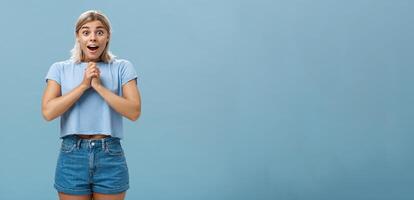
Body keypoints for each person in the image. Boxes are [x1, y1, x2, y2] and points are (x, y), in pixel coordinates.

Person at [41, 10, 141, 200]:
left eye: (100, 32)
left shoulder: (122, 67)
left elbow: (134, 111)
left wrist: (99, 87)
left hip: (110, 153)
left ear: (108, 36)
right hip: (72, 154)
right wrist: (84, 86)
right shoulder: (60, 69)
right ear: (78, 37)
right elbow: (48, 112)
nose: (93, 38)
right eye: (86, 32)